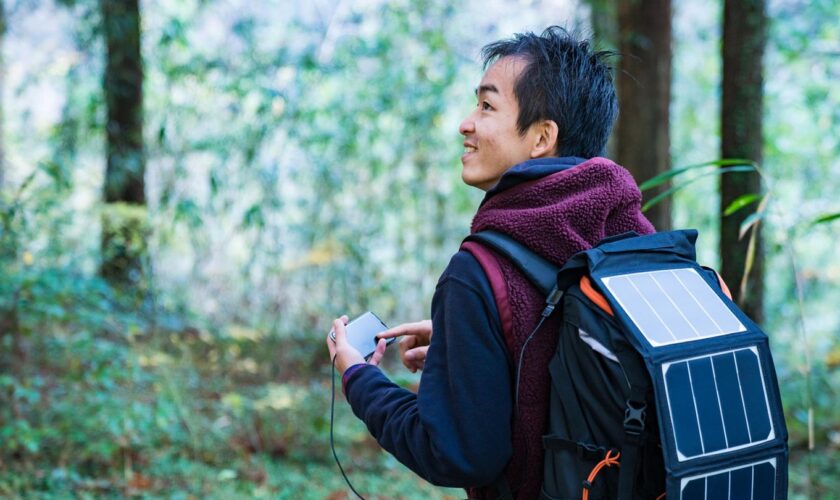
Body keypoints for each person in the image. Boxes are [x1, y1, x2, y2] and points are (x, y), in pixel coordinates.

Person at [326, 26, 655, 499]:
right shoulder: (634, 240)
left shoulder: (477, 272)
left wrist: (358, 376)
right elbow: (574, 350)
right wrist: (469, 343)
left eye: (486, 106)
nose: (466, 123)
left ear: (542, 137)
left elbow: (459, 453)